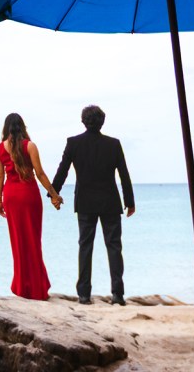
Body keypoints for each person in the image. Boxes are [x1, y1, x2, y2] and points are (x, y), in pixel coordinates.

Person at [52, 104, 134, 305]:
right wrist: (129, 202)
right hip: (110, 202)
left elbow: (63, 170)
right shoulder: (113, 144)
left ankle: (84, 294)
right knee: (114, 246)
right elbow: (124, 175)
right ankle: (117, 294)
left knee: (85, 246)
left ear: (83, 121)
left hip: (86, 202)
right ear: (102, 121)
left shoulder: (74, 143)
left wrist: (53, 192)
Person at [0, 112, 62, 301]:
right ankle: (37, 288)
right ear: (23, 127)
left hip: (11, 196)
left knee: (18, 242)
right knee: (33, 240)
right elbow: (39, 173)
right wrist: (54, 195)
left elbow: (0, 176)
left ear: (6, 129)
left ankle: (22, 287)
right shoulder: (30, 146)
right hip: (29, 195)